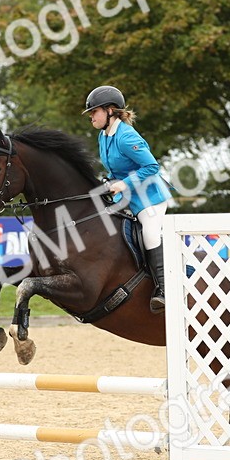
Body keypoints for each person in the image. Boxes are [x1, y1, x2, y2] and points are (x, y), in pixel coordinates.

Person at [83, 85, 172, 313]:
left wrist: (123, 184)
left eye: (94, 112)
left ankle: (164, 290)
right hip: (127, 197)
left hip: (149, 198)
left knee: (150, 234)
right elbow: (115, 170)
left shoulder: (126, 136)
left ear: (110, 110)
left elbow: (151, 166)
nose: (91, 117)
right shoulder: (103, 136)